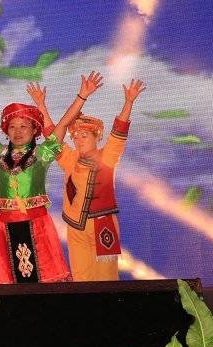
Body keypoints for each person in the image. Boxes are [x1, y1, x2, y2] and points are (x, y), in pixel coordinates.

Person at [0, 73, 104, 287]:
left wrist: (82, 96)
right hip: (5, 225)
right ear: (6, 131)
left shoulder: (42, 154)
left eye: (24, 126)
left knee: (44, 280)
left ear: (34, 131)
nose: (18, 131)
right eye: (12, 126)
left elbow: (62, 125)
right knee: (12, 281)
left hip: (37, 222)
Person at [54, 79, 145, 281]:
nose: (78, 141)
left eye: (84, 136)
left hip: (103, 225)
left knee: (106, 278)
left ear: (96, 137)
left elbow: (119, 132)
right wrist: (42, 106)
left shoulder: (108, 157)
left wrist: (128, 102)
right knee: (81, 279)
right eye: (75, 137)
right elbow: (53, 138)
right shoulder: (70, 159)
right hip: (76, 227)